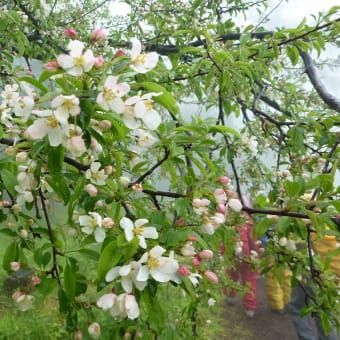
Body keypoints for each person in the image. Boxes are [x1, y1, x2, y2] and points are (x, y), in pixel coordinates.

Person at [288, 223, 340, 340]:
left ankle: (307, 337)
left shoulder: (314, 219)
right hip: (332, 274)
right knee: (327, 312)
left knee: (299, 306)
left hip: (313, 267)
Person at [225, 211, 260, 318]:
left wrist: (223, 252)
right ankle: (249, 307)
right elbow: (253, 239)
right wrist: (256, 252)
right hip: (246, 256)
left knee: (231, 275)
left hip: (233, 255)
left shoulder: (228, 218)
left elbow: (224, 239)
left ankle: (231, 296)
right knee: (249, 279)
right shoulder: (248, 219)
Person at [261, 231, 292, 313]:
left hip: (271, 248)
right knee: (286, 275)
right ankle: (285, 301)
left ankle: (277, 305)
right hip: (287, 249)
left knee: (273, 277)